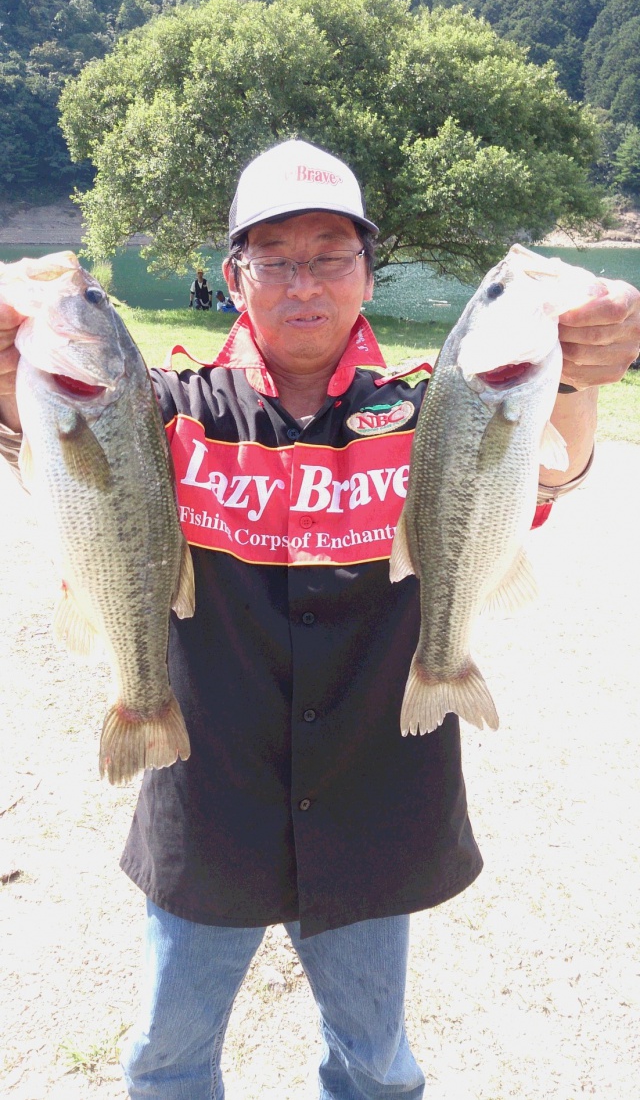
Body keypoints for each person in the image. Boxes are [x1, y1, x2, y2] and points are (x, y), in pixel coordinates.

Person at [1, 139, 639, 1100]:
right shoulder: (163, 408)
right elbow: (44, 432)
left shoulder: (435, 410)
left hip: (373, 792)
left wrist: (583, 373)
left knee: (376, 1067)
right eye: (275, 257)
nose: (306, 282)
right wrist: (20, 336)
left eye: (332, 253)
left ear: (368, 271)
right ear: (234, 276)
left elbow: (551, 466)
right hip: (205, 790)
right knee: (165, 1060)